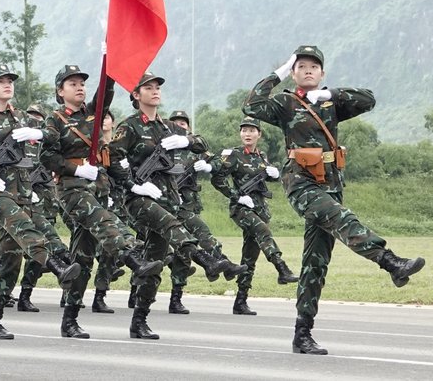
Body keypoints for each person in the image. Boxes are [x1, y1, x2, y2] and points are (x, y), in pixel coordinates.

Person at [243, 45, 425, 355]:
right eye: (301, 66)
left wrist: (331, 94)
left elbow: (369, 99)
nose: (308, 70)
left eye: (314, 66)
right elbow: (252, 105)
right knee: (343, 219)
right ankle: (390, 261)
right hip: (300, 183)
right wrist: (278, 73)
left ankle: (302, 334)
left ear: (322, 73)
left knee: (315, 263)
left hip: (331, 184)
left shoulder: (330, 103)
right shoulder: (286, 103)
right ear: (294, 73)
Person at [0, 64, 82, 340]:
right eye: (0, 81)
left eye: (10, 80)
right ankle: (57, 267)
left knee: (10, 258)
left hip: (22, 192)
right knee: (25, 228)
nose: (7, 84)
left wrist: (39, 134)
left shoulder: (21, 117)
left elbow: (53, 135)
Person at [111, 72, 247, 340]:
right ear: (136, 95)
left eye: (157, 87)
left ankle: (139, 321)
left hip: (168, 199)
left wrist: (187, 141)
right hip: (140, 199)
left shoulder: (168, 127)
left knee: (154, 264)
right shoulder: (129, 127)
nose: (155, 91)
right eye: (148, 88)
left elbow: (203, 143)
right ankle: (206, 260)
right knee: (173, 226)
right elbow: (111, 158)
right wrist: (132, 185)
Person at [40, 65, 161, 339]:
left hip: (97, 189)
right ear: (60, 91)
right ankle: (133, 258)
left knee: (82, 259)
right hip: (72, 190)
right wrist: (76, 170)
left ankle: (69, 321)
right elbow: (46, 157)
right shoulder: (55, 120)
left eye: (82, 83)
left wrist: (111, 67)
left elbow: (105, 93)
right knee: (106, 222)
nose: (79, 87)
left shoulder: (93, 115)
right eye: (72, 84)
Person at [207, 116, 299, 316]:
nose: (247, 134)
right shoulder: (234, 155)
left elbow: (265, 178)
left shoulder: (261, 155)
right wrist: (236, 196)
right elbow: (217, 179)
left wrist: (274, 174)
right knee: (263, 231)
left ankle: (240, 301)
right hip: (242, 209)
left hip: (260, 209)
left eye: (251, 130)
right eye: (244, 130)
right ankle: (282, 268)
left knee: (250, 256)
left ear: (259, 134)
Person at [165, 109, 227, 315]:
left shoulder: (194, 149)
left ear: (188, 127)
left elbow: (218, 161)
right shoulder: (162, 148)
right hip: (165, 207)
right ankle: (137, 294)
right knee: (157, 254)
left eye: (183, 123)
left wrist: (208, 166)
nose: (179, 126)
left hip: (189, 206)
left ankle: (176, 298)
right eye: (175, 123)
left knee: (185, 250)